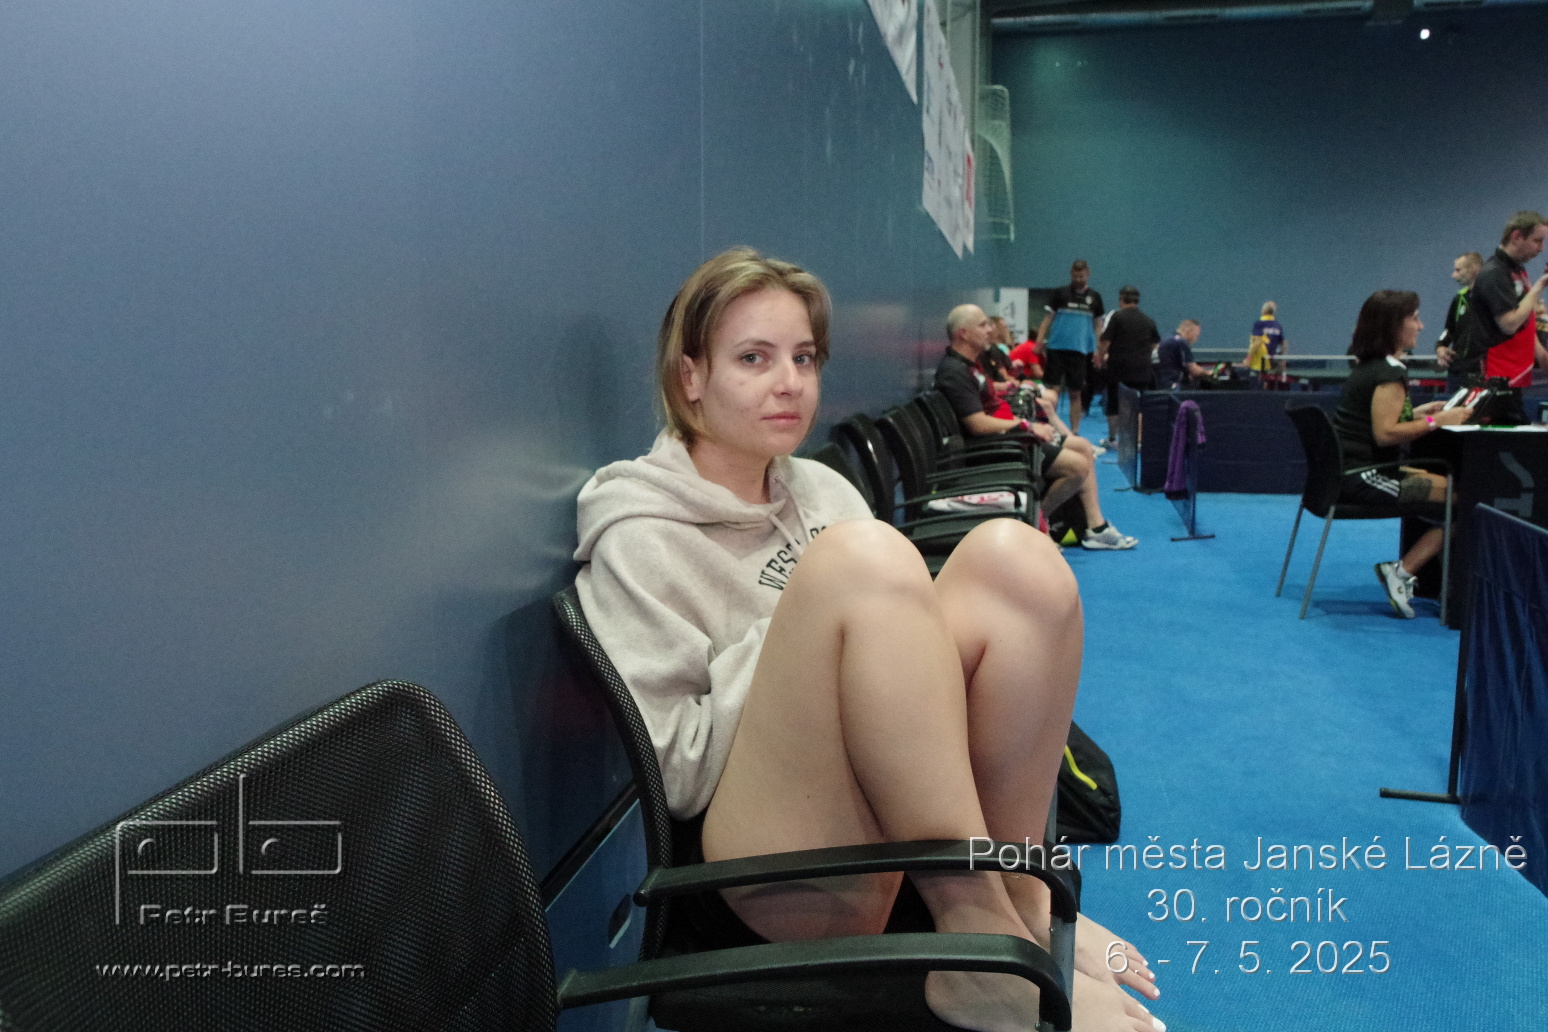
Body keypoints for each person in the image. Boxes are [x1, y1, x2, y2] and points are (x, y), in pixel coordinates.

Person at [575, 249, 1161, 1032]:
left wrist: (843, 641)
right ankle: (973, 935)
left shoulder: (821, 490)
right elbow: (676, 771)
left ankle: (1019, 895)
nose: (789, 382)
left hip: (889, 825)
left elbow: (895, 653)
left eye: (803, 358)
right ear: (690, 377)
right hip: (769, 873)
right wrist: (800, 641)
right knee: (861, 561)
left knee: (1017, 560)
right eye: (753, 358)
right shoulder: (640, 534)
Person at [939, 304, 1138, 550]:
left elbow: (991, 401)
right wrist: (1026, 426)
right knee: (1077, 466)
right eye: (983, 325)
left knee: (1083, 447)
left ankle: (1095, 528)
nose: (990, 329)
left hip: (1008, 437)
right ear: (963, 333)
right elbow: (977, 424)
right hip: (997, 446)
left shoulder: (971, 366)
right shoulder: (955, 372)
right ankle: (1035, 522)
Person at [1333, 290, 1472, 618]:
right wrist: (1438, 421)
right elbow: (1385, 434)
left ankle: (1414, 572)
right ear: (1393, 325)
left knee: (1451, 490)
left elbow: (1378, 420)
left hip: (1356, 470)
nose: (1421, 326)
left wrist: (1421, 413)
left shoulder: (1373, 367)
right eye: (1415, 319)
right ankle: (1402, 571)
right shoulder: (1389, 374)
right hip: (1364, 477)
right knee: (1467, 500)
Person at [1450, 211, 1548, 393]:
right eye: (1537, 240)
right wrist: (1540, 284)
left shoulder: (1517, 271)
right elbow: (1509, 324)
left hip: (1513, 370)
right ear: (1517, 236)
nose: (1541, 248)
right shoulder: (1494, 273)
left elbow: (1523, 318)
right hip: (1492, 374)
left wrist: (1541, 354)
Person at [1034, 261, 1104, 434]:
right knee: (1053, 391)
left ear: (1088, 274)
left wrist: (1098, 349)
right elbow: (1047, 319)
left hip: (1080, 351)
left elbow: (1098, 325)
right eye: (1075, 276)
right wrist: (1039, 341)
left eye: (1081, 276)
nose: (1078, 279)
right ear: (1071, 274)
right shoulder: (1060, 293)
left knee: (1075, 392)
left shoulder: (1095, 297)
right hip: (1056, 349)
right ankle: (1050, 427)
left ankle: (1075, 431)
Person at [1095, 286, 1160, 426]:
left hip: (1118, 369)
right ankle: (1138, 435)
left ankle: (1113, 436)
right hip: (1142, 371)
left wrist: (1101, 357)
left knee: (1114, 404)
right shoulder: (1148, 320)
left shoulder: (1117, 317)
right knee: (1139, 405)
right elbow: (1155, 344)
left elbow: (1105, 341)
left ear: (1121, 300)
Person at [1433, 252, 1482, 371]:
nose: (1453, 275)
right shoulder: (1459, 298)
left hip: (1485, 369)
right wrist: (1440, 346)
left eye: (1458, 270)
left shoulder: (1493, 297)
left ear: (1473, 269)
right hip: (1458, 369)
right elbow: (1449, 329)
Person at [1155, 320, 1206, 390]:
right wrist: (1209, 373)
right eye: (1196, 336)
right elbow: (1193, 369)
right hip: (1171, 384)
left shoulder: (1167, 338)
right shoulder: (1181, 342)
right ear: (1189, 331)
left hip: (1159, 382)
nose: (1196, 339)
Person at [1245, 302, 1286, 378]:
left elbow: (1257, 342)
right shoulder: (1278, 326)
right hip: (1270, 363)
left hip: (1258, 364)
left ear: (1264, 312)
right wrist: (1282, 361)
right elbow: (1284, 345)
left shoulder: (1259, 323)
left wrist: (1248, 358)